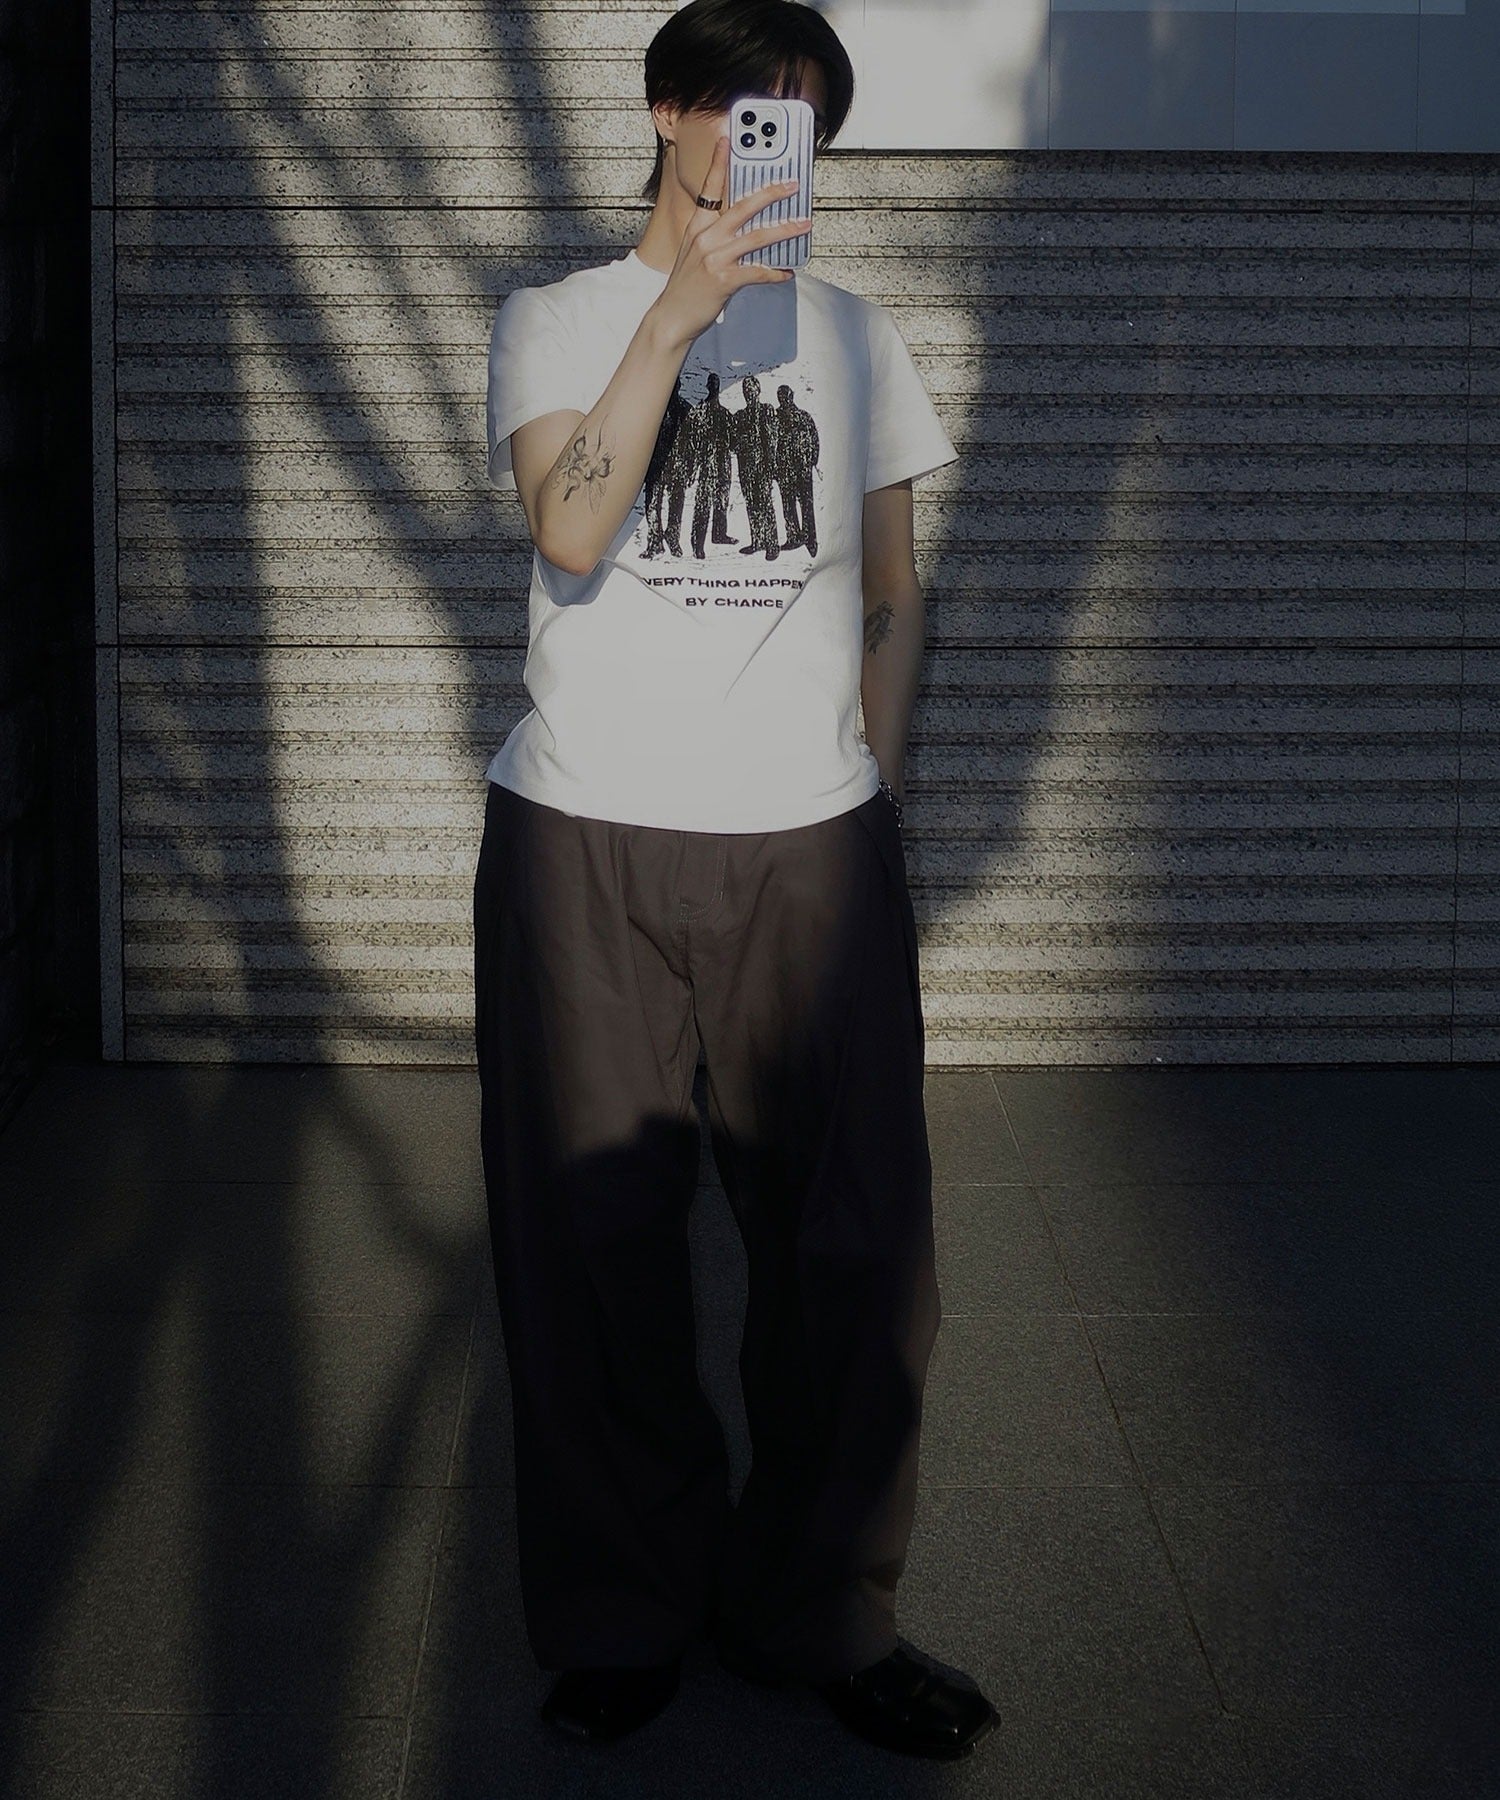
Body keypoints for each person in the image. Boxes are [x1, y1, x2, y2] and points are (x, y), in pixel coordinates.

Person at [473, 0, 998, 1763]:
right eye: (737, 110)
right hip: (583, 835)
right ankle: (622, 1613)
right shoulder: (557, 317)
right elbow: (569, 523)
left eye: (795, 124)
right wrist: (677, 318)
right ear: (666, 109)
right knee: (594, 1249)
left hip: (809, 846)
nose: (760, 146)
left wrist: (874, 780)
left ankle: (825, 1614)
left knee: (855, 1249)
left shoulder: (855, 335)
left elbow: (893, 586)